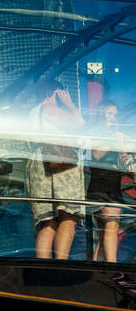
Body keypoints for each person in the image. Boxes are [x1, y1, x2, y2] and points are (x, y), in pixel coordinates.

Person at [26, 78, 84, 260]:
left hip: (38, 167)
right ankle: (61, 266)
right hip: (61, 167)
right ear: (52, 93)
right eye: (62, 93)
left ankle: (42, 268)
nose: (65, 97)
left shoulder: (32, 113)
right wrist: (71, 106)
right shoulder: (50, 109)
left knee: (47, 222)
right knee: (68, 217)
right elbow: (81, 125)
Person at [88, 100, 132, 263]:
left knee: (104, 234)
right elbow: (97, 155)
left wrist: (123, 150)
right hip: (100, 185)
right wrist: (112, 139)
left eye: (114, 114)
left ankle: (97, 268)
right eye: (109, 113)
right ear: (101, 113)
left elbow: (124, 161)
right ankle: (113, 268)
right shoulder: (95, 132)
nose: (112, 117)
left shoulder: (116, 134)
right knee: (112, 227)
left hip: (113, 185)